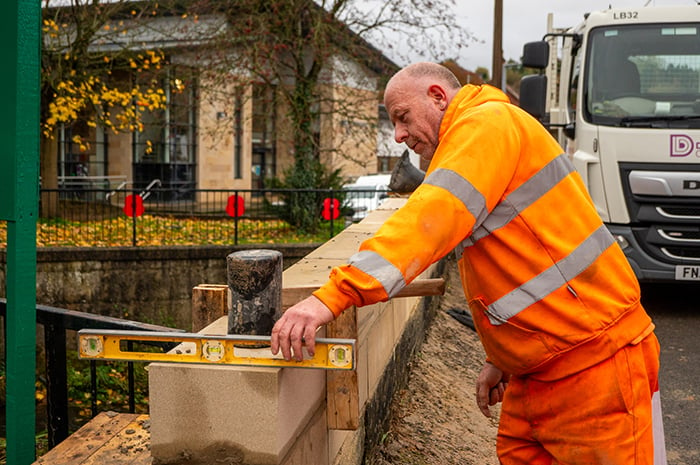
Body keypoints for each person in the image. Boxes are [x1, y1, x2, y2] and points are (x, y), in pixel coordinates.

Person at [271, 62, 666, 465]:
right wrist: (502, 357)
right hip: (546, 367)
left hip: (594, 363)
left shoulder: (486, 124)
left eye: (402, 117)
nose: (399, 135)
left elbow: (431, 219)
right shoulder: (486, 130)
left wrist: (330, 297)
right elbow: (520, 257)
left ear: (438, 97)